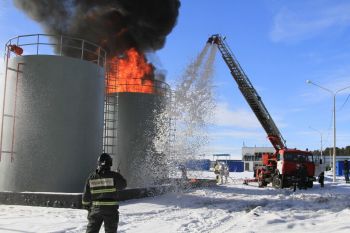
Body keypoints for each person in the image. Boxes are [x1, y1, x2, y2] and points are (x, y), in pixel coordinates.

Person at [82, 153, 127, 233]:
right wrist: (118, 175)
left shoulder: (91, 177)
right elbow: (123, 185)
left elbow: (86, 196)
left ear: (98, 163)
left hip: (95, 209)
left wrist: (88, 208)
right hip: (110, 209)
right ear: (110, 163)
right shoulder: (114, 175)